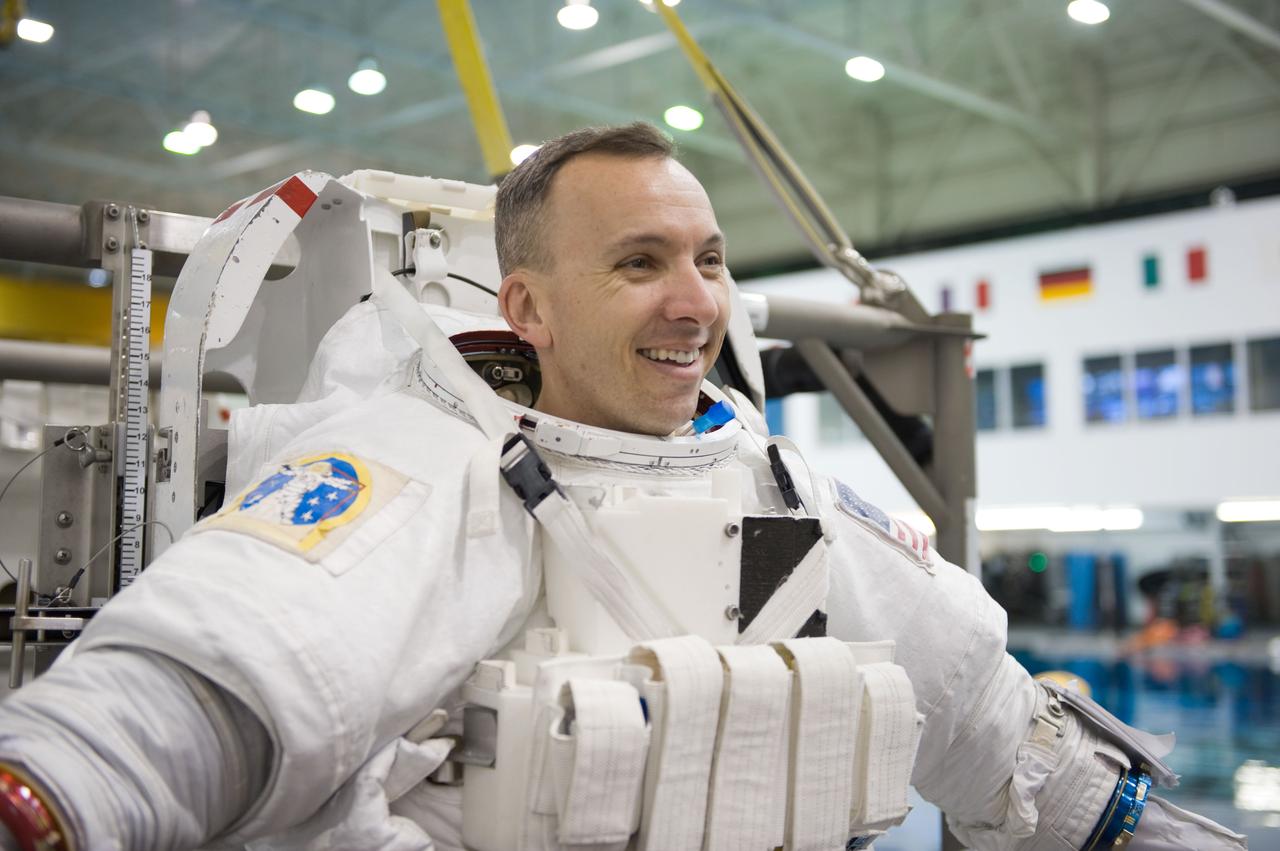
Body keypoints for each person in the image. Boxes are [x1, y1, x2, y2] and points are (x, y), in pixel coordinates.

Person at [0, 123, 1246, 851]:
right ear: (527, 306)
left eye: (706, 259)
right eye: (639, 262)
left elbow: (996, 734)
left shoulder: (775, 484)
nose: (694, 299)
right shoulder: (418, 466)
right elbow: (188, 694)